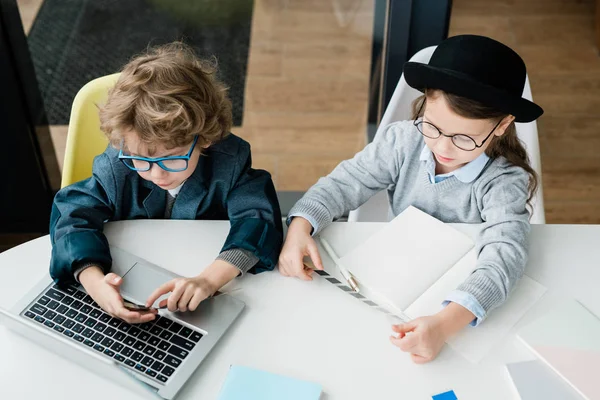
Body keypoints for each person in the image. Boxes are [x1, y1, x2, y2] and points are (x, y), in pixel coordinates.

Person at [278, 35, 543, 364]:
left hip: (457, 296)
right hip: (395, 277)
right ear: (424, 104)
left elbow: (505, 257)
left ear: (502, 125)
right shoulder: (403, 140)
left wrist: (445, 326)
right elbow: (346, 182)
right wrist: (299, 227)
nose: (443, 149)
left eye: (464, 138)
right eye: (432, 127)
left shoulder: (504, 181)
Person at [50, 42, 283, 324]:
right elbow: (72, 214)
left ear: (205, 138)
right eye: (141, 160)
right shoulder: (117, 166)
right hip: (134, 287)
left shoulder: (229, 161)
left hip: (207, 287)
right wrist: (93, 280)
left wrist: (209, 280)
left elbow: (258, 220)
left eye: (172, 159)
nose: (157, 175)